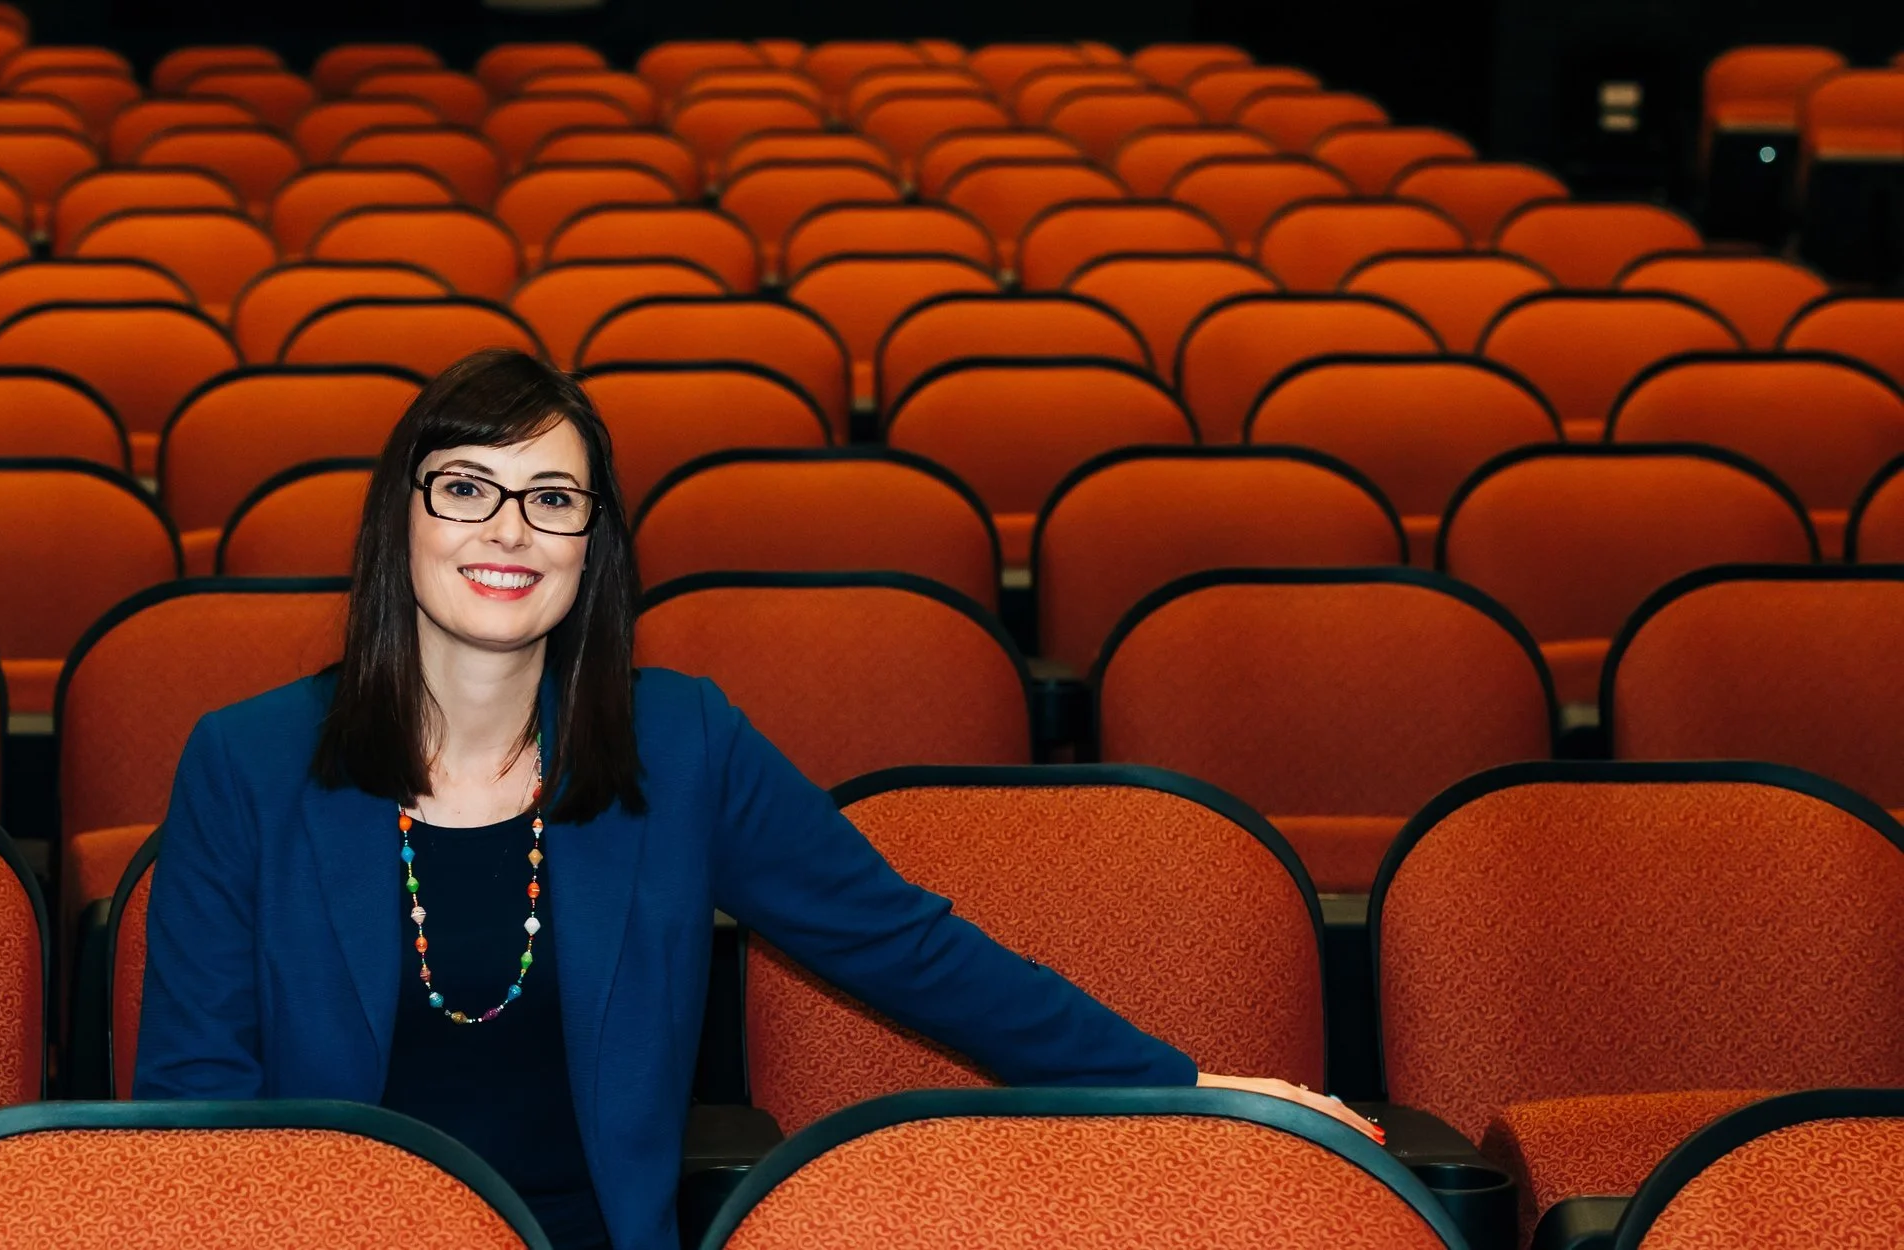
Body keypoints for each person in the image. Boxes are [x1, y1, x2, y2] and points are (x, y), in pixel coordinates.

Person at [135, 348, 1383, 1250]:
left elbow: (904, 943)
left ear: (593, 545)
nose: (506, 528)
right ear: (398, 522)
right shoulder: (243, 763)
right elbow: (198, 1110)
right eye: (464, 486)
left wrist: (1178, 1087)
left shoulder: (680, 741)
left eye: (552, 498)